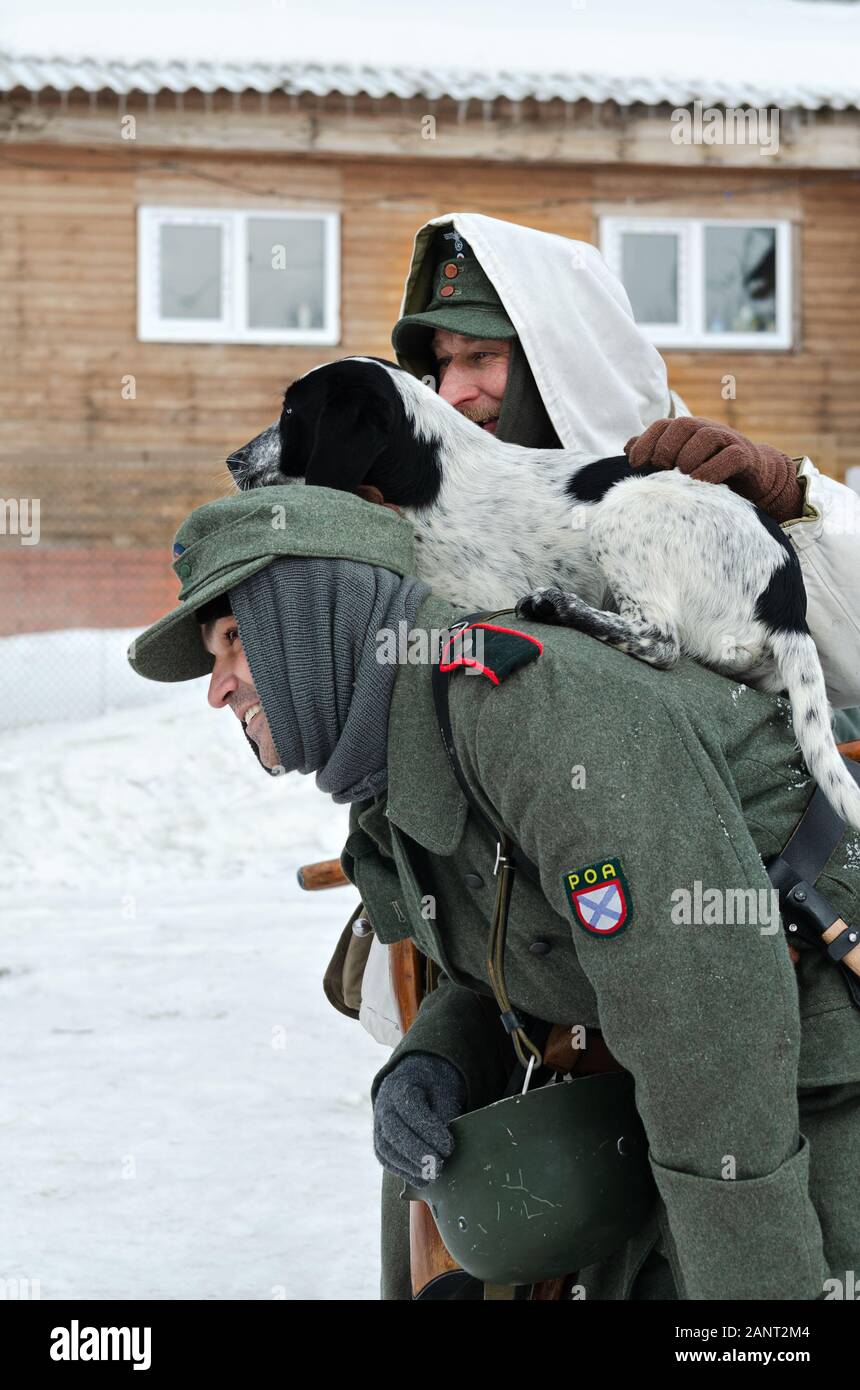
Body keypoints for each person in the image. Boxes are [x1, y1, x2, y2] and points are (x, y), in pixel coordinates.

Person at [128, 484, 860, 1301]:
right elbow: (525, 935)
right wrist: (440, 1056)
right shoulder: (396, 749)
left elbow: (702, 999)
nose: (217, 688)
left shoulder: (528, 705)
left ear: (312, 618)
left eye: (234, 642)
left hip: (807, 1048)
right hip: (683, 1064)